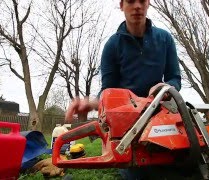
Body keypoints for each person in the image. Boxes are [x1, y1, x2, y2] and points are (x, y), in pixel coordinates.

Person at [65, 0, 182, 179]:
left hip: (161, 115)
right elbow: (108, 92)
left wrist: (166, 87)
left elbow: (175, 78)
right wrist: (93, 103)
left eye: (142, 1)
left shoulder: (165, 39)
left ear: (148, 3)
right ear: (121, 5)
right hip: (128, 126)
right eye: (130, 1)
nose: (137, 6)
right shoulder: (112, 46)